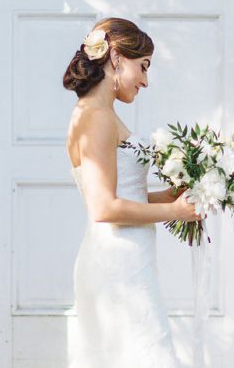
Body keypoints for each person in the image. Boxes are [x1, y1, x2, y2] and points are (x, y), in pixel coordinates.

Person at [62, 18, 202, 368]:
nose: (145, 80)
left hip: (127, 257)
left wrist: (166, 197)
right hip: (117, 263)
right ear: (116, 58)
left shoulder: (101, 114)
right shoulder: (95, 118)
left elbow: (119, 192)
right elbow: (103, 207)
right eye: (143, 66)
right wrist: (176, 213)